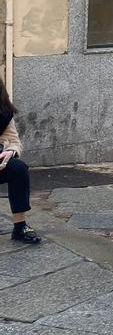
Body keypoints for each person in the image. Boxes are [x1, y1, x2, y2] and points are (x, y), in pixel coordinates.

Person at [0, 79, 39, 244]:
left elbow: (14, 140)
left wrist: (10, 151)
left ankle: (20, 226)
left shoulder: (4, 112)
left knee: (18, 168)